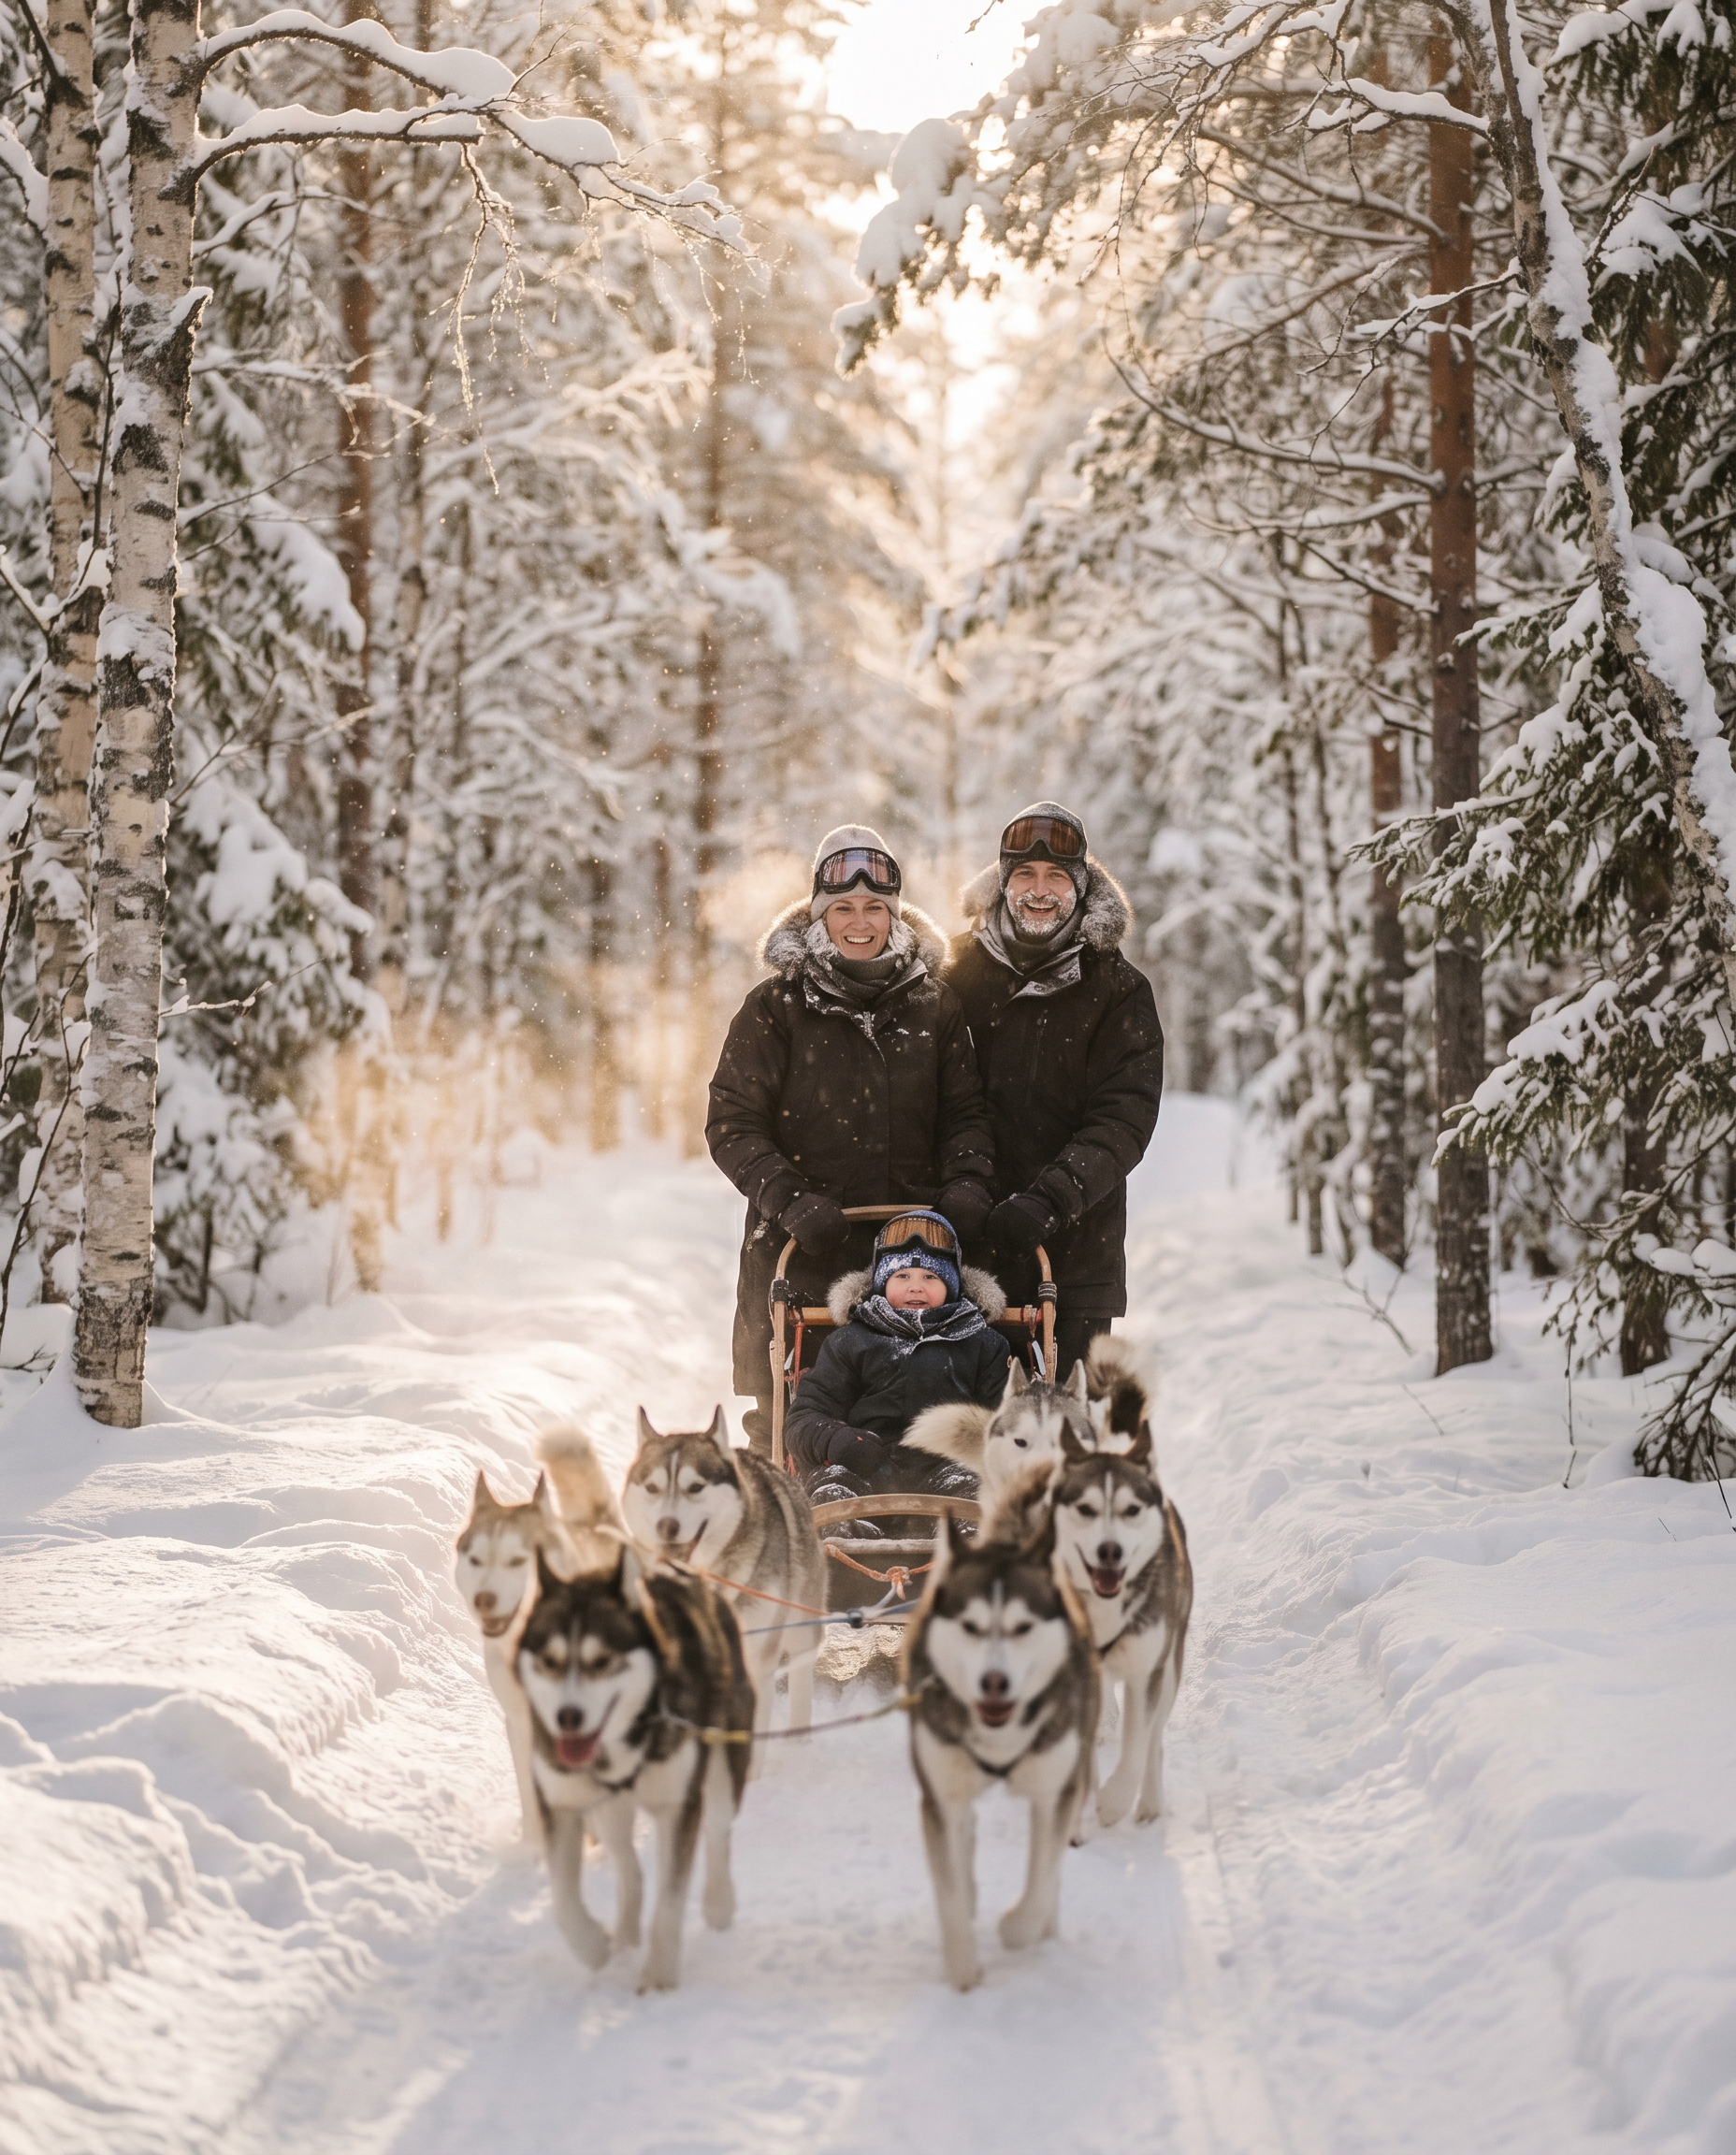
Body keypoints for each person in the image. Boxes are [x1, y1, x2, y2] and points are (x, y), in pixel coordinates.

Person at [707, 826, 995, 1454]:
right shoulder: (774, 1007)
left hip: (916, 1250)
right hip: (801, 1250)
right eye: (843, 908)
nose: (859, 922)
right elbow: (732, 1122)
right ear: (819, 914)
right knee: (789, 1424)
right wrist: (791, 1199)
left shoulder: (936, 1006)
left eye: (874, 907)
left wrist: (968, 1183)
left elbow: (966, 1115)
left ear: (895, 915)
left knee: (921, 1409)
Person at [948, 802, 1165, 1381]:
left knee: (1065, 1426)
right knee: (960, 1425)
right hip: (961, 1251)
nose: (1039, 891)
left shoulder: (1119, 990)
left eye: (1056, 877)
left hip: (1074, 1257)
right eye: (1024, 874)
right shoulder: (953, 972)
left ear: (1081, 886)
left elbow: (1123, 1120)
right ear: (1002, 882)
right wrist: (961, 1190)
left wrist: (1049, 1200)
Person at [785, 1211, 1009, 1508]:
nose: (916, 1286)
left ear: (951, 1286)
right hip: (863, 1464)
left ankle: (966, 1535)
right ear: (882, 1283)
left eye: (930, 1276)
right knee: (830, 1490)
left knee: (979, 1492)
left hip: (950, 1467)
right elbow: (805, 1416)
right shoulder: (850, 1341)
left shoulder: (983, 1344)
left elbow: (1006, 1420)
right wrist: (837, 1441)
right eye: (902, 1276)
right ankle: (839, 1534)